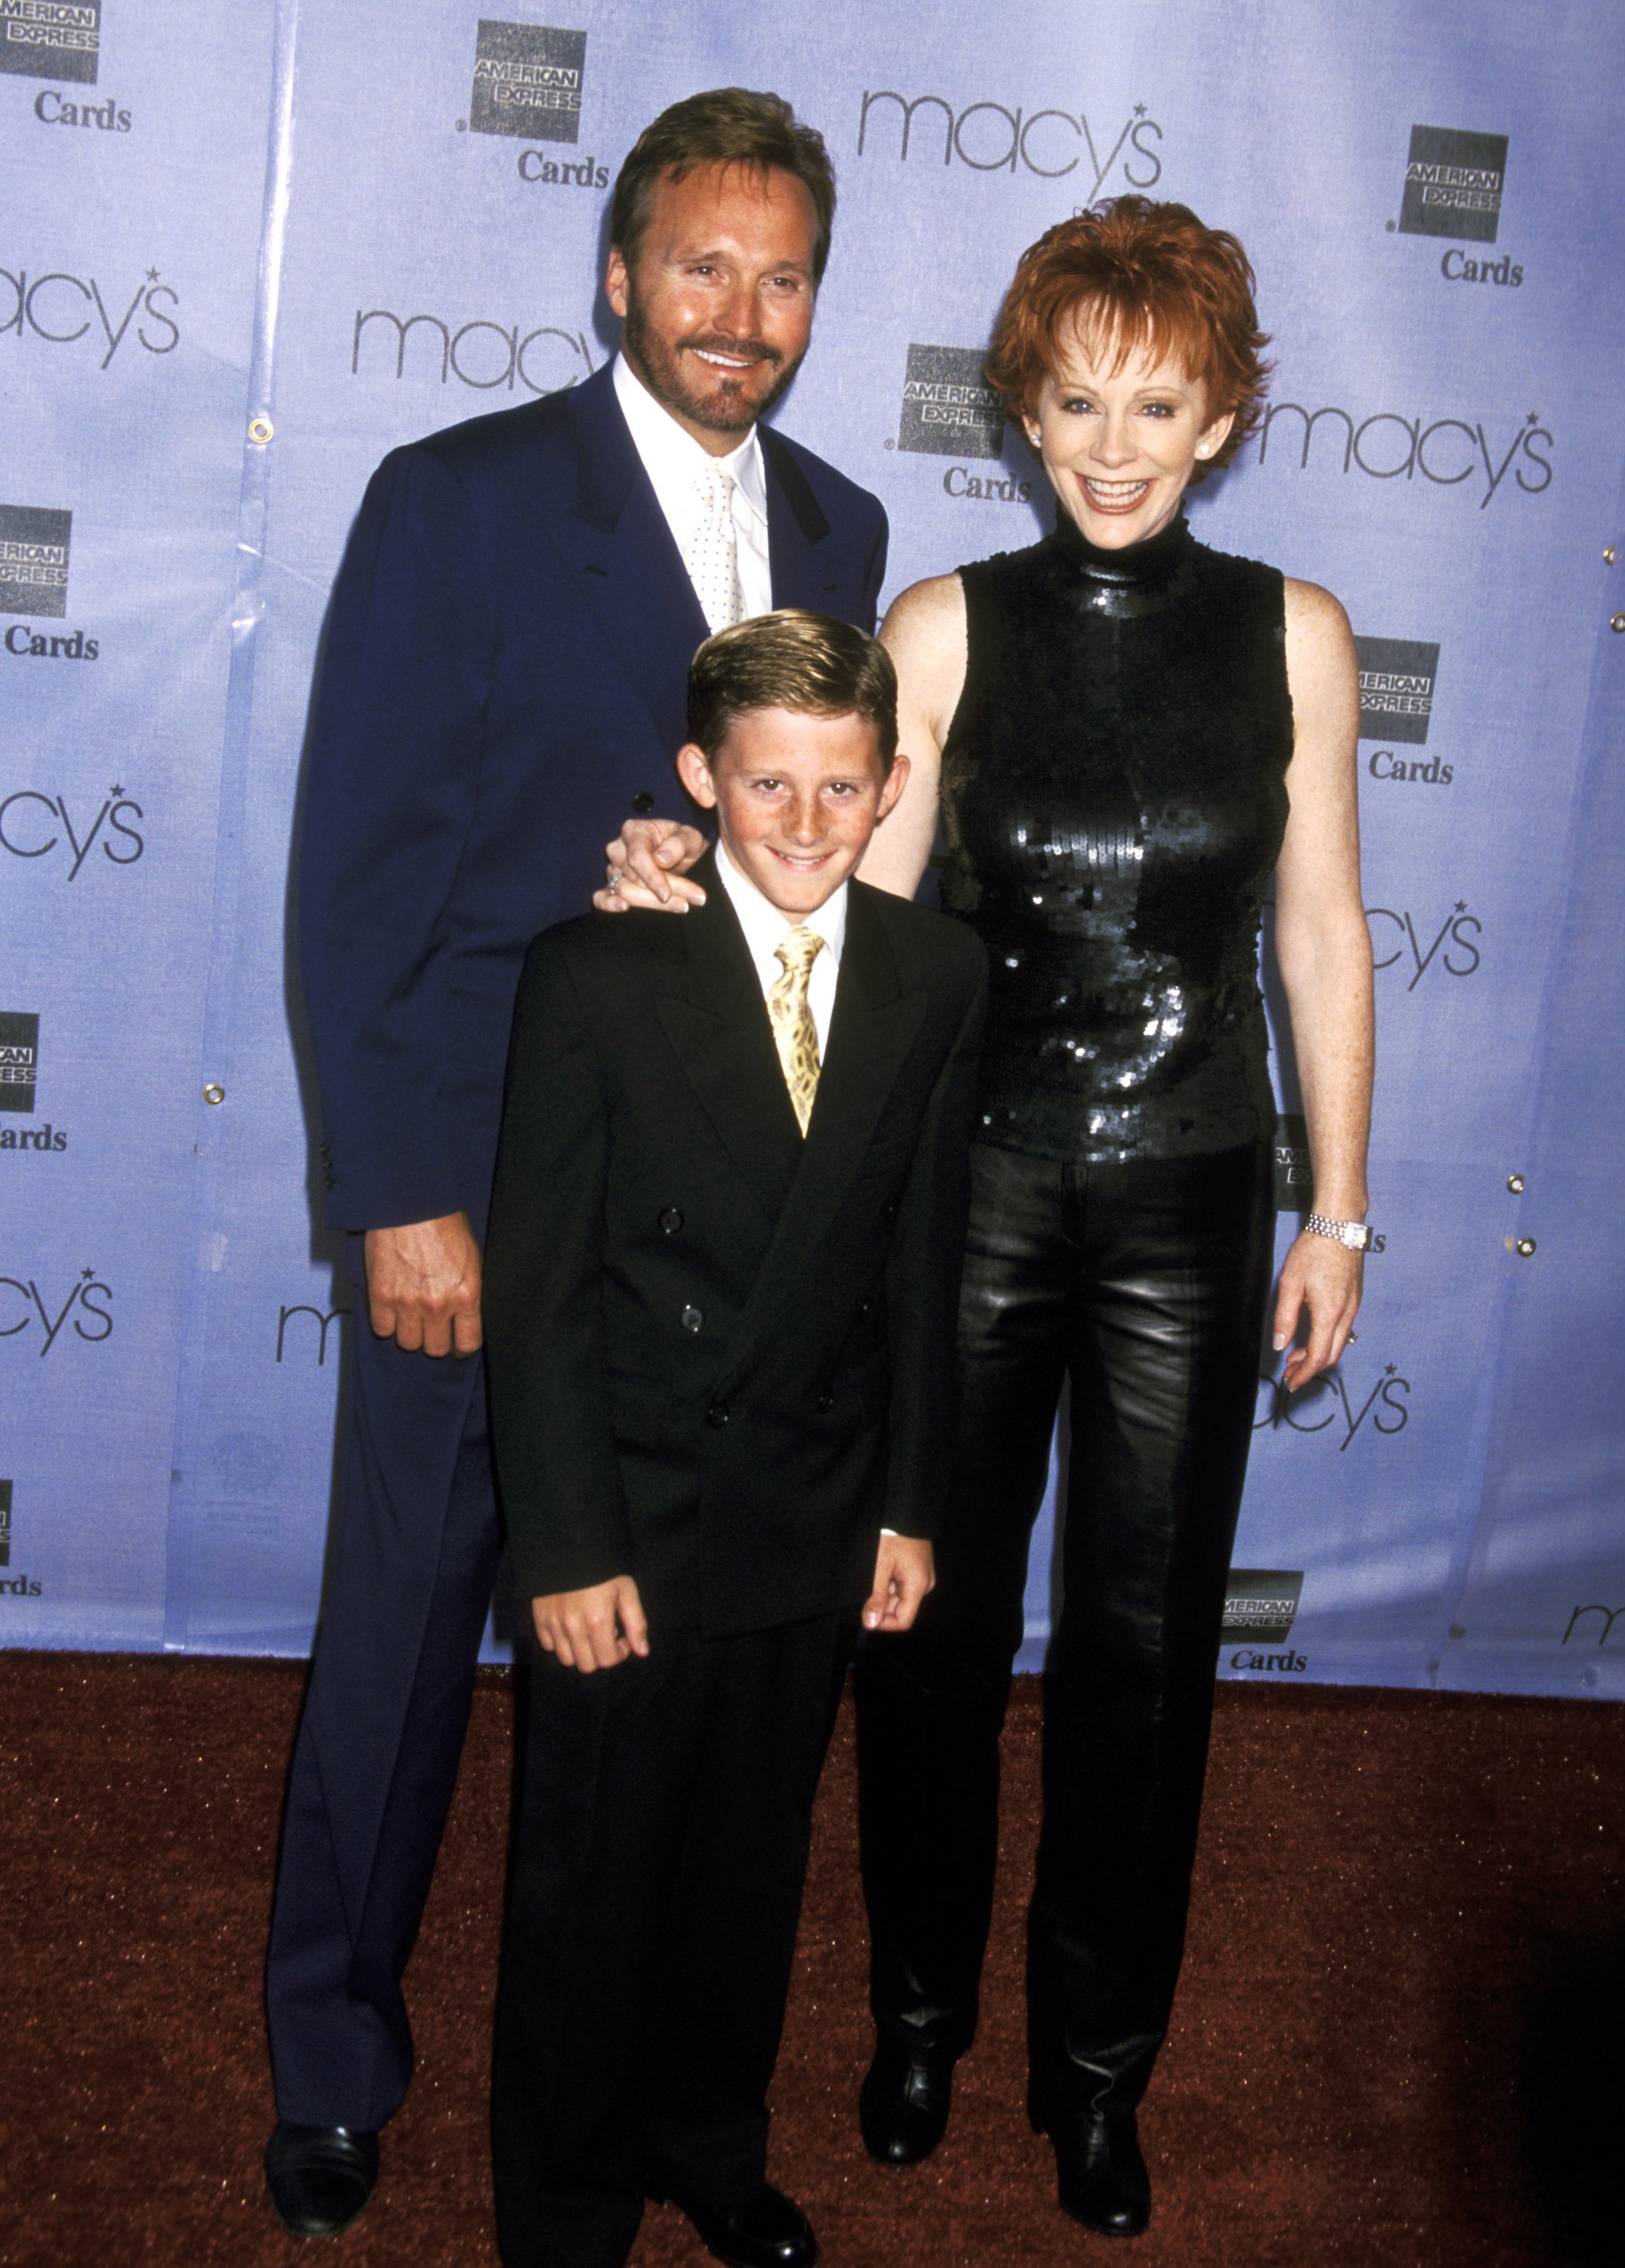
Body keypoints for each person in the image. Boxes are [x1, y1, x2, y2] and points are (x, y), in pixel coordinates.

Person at [601, 196, 1373, 2241]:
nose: (1111, 443)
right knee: (924, 1638)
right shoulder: (943, 624)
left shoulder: (1296, 634)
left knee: (1147, 1655)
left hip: (1197, 1203)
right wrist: (682, 895)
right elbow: (856, 925)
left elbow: (1321, 934)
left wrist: (1342, 1214)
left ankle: (1099, 2071)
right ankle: (927, 2018)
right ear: (1023, 412)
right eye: (1072, 400)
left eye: (1157, 402)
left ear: (1221, 417)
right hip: (976, 1197)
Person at [264, 89, 890, 2241]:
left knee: (648, 1703)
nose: (742, 314)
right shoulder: (458, 502)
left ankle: (631, 2106)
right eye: (701, 266)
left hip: (700, 1233)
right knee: (403, 1638)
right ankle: (332, 2052)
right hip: (486, 1196)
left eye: (782, 273)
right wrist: (398, 1192)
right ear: (617, 274)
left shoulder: (843, 529)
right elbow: (359, 882)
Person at [483, 609, 986, 2268]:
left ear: (891, 784)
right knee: (593, 1874)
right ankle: (564, 2200)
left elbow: (916, 1258)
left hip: (811, 1498)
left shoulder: (932, 976)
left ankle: (708, 2141)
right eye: (764, 785)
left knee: (747, 1867)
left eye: (841, 791)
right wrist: (564, 1544)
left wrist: (908, 1505)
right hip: (629, 1504)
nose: (800, 825)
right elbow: (543, 1289)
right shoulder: (595, 973)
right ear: (699, 778)